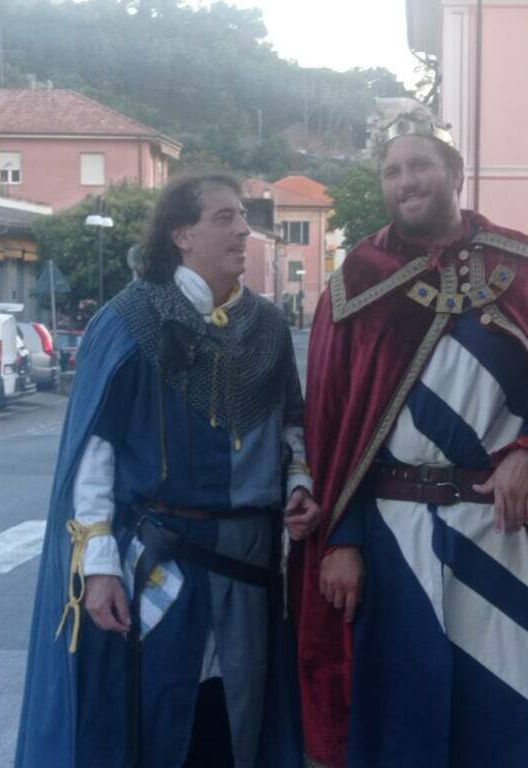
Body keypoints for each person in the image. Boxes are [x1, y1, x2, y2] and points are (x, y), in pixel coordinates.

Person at [293, 112, 528, 768]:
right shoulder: (356, 284)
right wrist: (338, 539)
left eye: (420, 166)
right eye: (392, 171)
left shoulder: (525, 271)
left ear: (455, 173)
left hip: (499, 536)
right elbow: (331, 428)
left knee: (507, 714)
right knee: (406, 720)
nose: (406, 182)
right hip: (393, 534)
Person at [16, 174, 320, 768]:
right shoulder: (131, 318)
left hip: (250, 564)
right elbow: (96, 451)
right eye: (226, 218)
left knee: (237, 721)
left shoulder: (267, 326)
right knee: (156, 723)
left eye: (242, 218)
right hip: (162, 563)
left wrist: (299, 482)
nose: (242, 231)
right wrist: (98, 564)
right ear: (183, 234)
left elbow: (291, 424)